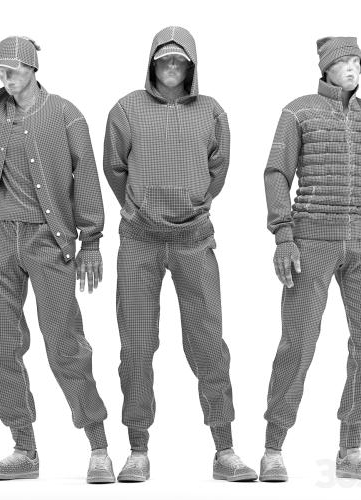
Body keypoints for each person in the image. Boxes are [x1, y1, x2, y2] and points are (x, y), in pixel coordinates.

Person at [0, 36, 115, 483]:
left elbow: (86, 178)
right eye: (1, 71)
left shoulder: (66, 114)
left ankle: (99, 446)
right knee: (0, 349)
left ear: (32, 69)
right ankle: (24, 449)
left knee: (65, 345)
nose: (6, 78)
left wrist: (91, 242)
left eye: (13, 70)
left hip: (48, 242)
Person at [103, 25, 256, 483]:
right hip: (139, 241)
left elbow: (218, 169)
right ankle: (137, 449)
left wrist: (194, 203)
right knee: (136, 344)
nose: (171, 67)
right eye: (163, 59)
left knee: (208, 343)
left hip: (194, 240)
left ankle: (225, 449)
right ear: (152, 63)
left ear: (191, 66)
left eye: (179, 61)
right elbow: (114, 167)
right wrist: (139, 208)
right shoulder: (126, 108)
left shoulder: (212, 112)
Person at [260, 36, 361, 482]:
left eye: (356, 62)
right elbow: (277, 173)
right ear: (325, 68)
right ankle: (273, 448)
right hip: (310, 243)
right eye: (343, 61)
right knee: (298, 344)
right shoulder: (299, 112)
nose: (351, 68)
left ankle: (350, 449)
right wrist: (283, 236)